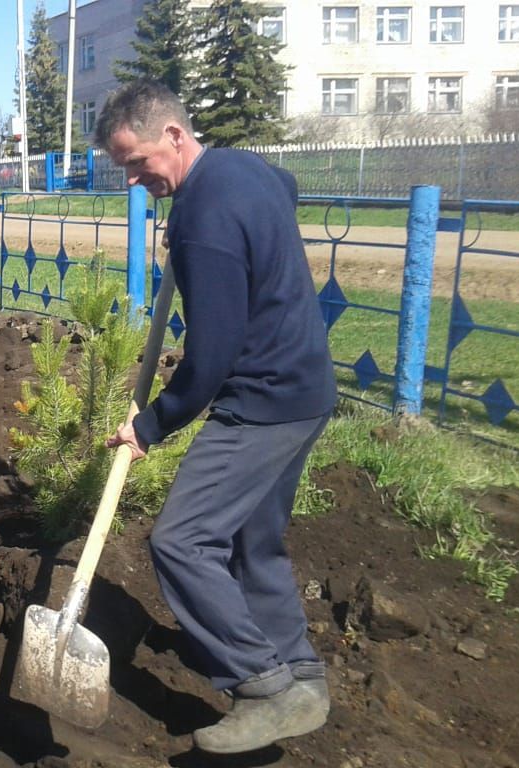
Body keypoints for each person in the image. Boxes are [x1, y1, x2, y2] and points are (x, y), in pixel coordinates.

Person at [96, 80, 337, 754]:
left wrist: (149, 427)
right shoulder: (242, 168)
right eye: (126, 170)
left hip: (259, 402)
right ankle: (302, 677)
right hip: (308, 391)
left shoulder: (203, 223)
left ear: (174, 135)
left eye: (139, 161)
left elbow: (209, 359)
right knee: (253, 542)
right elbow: (284, 185)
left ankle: (263, 685)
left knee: (182, 541)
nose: (137, 179)